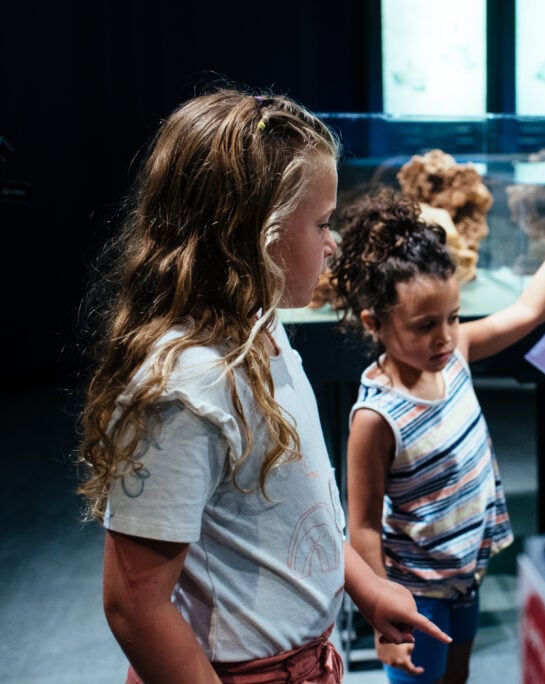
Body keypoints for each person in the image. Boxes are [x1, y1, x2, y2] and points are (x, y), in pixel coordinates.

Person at [75, 86, 449, 684]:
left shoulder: (262, 325)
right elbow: (135, 605)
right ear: (253, 231)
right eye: (323, 223)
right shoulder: (187, 385)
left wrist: (366, 585)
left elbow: (303, 503)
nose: (333, 244)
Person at [328, 186, 545, 683]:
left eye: (452, 318)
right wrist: (382, 624)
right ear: (375, 323)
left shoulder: (457, 355)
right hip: (416, 590)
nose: (445, 336)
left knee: (457, 676)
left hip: (466, 574)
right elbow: (362, 527)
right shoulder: (375, 418)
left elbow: (529, 311)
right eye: (425, 325)